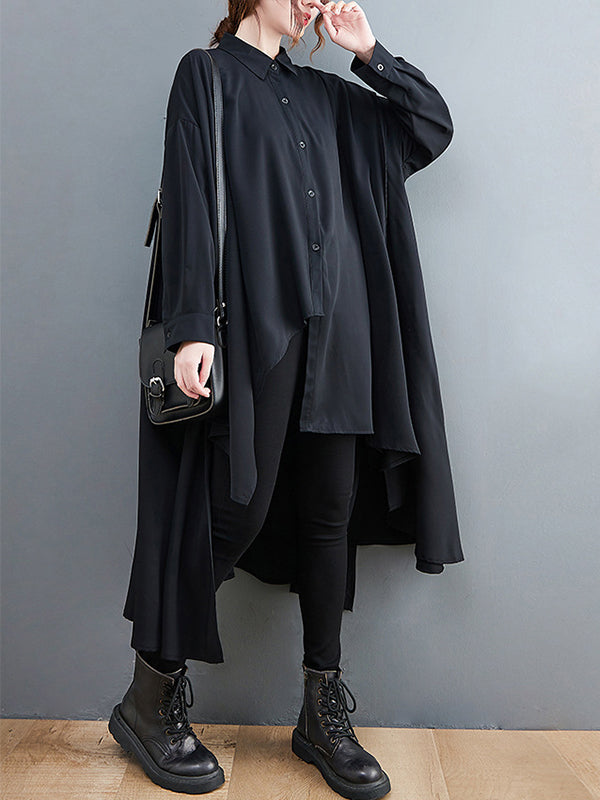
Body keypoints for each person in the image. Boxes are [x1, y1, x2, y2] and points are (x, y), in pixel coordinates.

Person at [109, 1, 464, 798]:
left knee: (329, 513)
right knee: (233, 509)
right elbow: (190, 193)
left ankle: (321, 710)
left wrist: (368, 51)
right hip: (255, 335)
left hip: (341, 338)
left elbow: (430, 127)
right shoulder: (206, 76)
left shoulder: (328, 94)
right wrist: (191, 327)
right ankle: (148, 697)